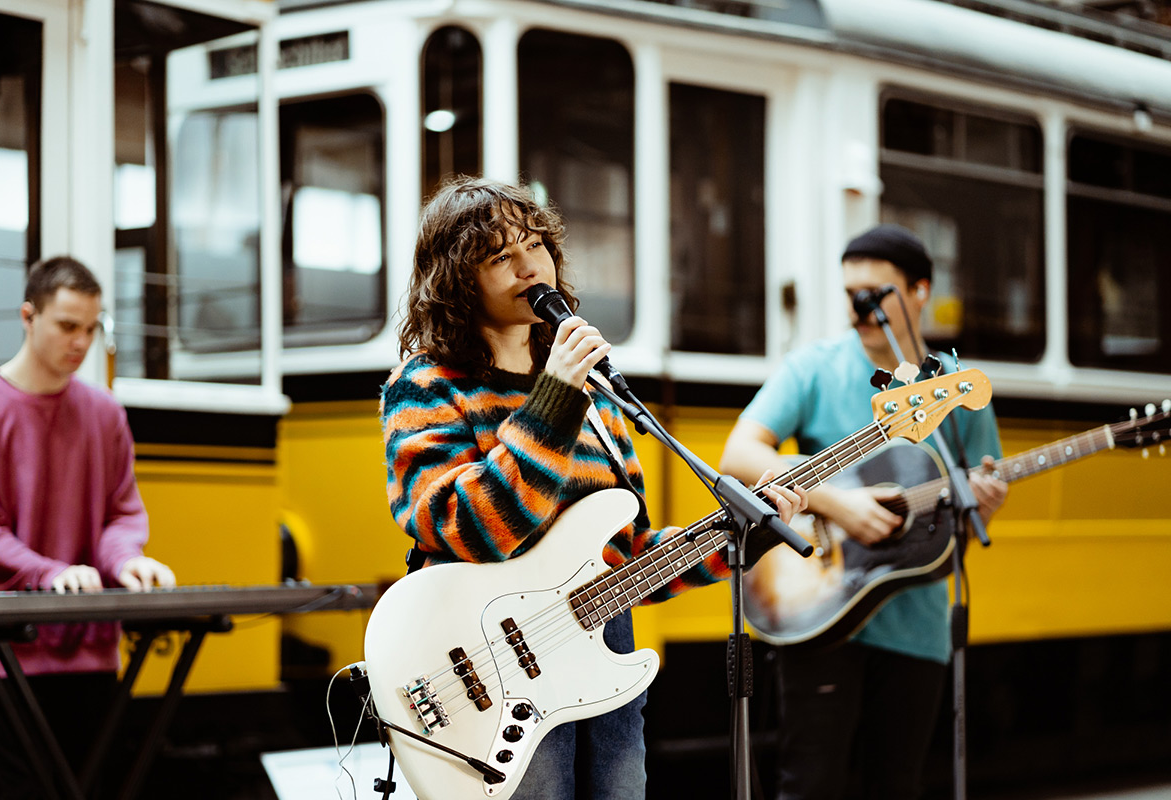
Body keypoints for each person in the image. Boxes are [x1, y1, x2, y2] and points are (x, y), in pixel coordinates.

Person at [379, 176, 806, 799]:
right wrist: (551, 400)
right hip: (489, 672)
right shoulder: (427, 384)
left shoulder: (595, 394)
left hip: (603, 658)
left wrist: (744, 534)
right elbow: (470, 529)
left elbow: (627, 559)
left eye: (535, 246)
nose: (530, 268)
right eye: (501, 258)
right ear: (457, 281)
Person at [719, 224, 1009, 800]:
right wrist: (837, 503)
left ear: (920, 291)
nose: (860, 307)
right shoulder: (814, 368)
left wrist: (988, 502)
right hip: (815, 611)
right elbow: (739, 455)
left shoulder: (955, 387)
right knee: (809, 784)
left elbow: (968, 515)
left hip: (918, 624)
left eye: (875, 293)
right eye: (852, 293)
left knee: (896, 785)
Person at [0, 255, 176, 799]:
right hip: (14, 650)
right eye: (67, 326)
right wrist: (50, 571)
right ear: (27, 317)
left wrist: (127, 559)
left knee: (96, 787)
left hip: (93, 646)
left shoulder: (105, 413)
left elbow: (119, 515)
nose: (81, 342)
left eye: (92, 327)